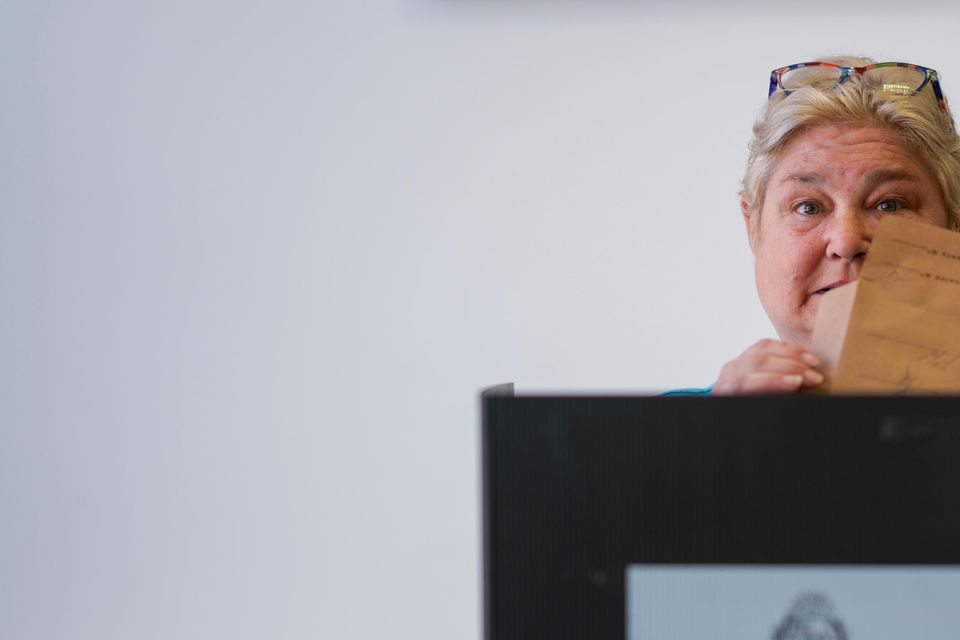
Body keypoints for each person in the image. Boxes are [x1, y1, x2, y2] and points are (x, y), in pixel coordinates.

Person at [669, 56, 960, 396]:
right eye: (808, 207)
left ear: (953, 227)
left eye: (889, 205)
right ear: (754, 228)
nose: (847, 241)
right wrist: (715, 439)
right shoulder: (655, 437)